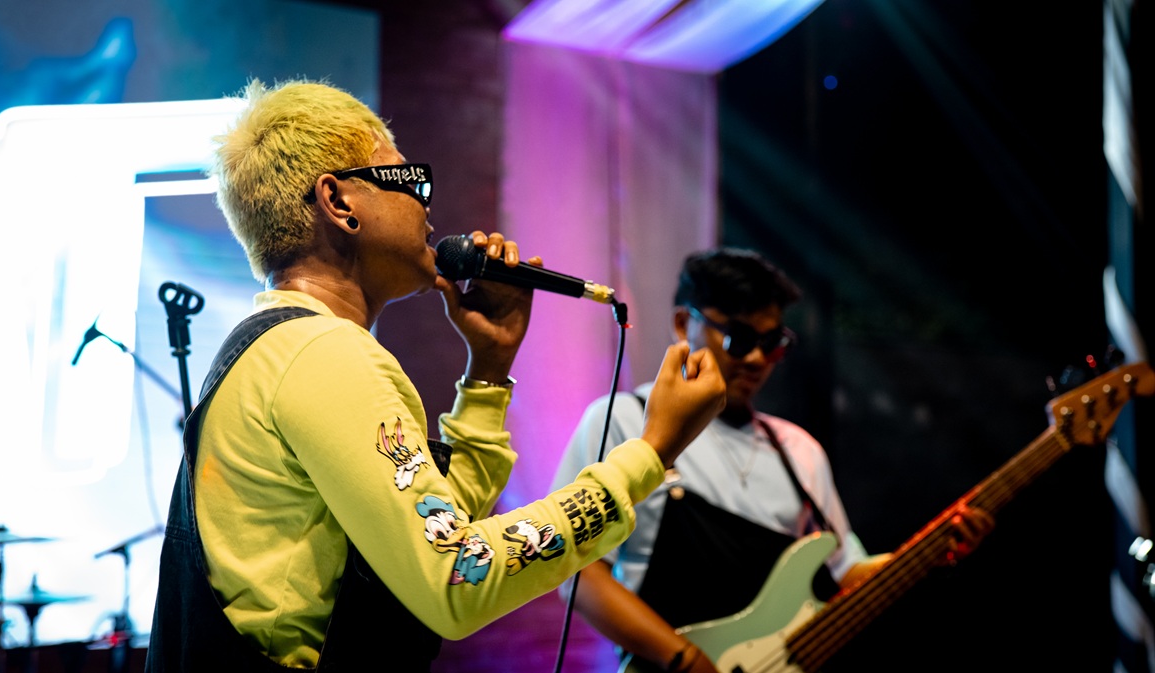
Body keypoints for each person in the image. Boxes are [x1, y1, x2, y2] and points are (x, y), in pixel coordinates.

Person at [144, 78, 726, 673]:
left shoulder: (273, 345)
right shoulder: (322, 353)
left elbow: (435, 526)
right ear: (339, 202)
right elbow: (456, 574)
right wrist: (650, 453)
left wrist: (489, 371)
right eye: (410, 180)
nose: (426, 205)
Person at [551, 246, 996, 673]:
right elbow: (577, 571)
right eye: (740, 338)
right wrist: (685, 660)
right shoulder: (625, 420)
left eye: (773, 343)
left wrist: (929, 553)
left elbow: (841, 570)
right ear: (684, 323)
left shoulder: (798, 450)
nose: (757, 359)